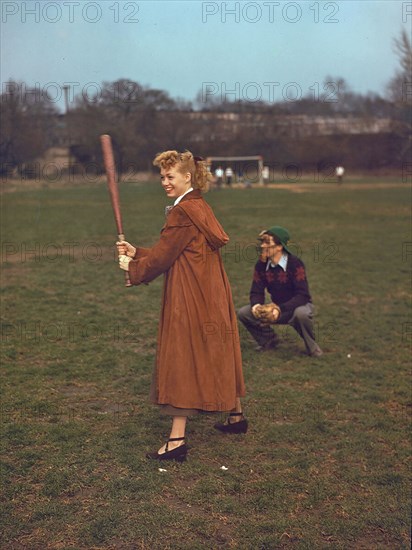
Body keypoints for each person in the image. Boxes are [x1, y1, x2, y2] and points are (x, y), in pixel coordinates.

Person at [117, 150, 247, 462]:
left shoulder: (182, 212)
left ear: (187, 177)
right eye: (162, 177)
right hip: (212, 293)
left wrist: (131, 268)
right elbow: (174, 251)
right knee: (217, 348)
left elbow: (163, 259)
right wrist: (137, 252)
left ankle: (176, 441)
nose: (164, 182)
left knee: (183, 356)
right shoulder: (198, 205)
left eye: (170, 176)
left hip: (191, 295)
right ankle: (236, 418)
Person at [237, 226, 323, 357]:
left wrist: (279, 308)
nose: (262, 246)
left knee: (301, 314)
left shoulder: (295, 264)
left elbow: (303, 295)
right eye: (262, 242)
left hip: (297, 307)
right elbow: (256, 291)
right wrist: (256, 306)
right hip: (276, 309)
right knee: (244, 313)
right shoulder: (261, 265)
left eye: (267, 243)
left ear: (279, 247)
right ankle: (269, 341)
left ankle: (312, 348)